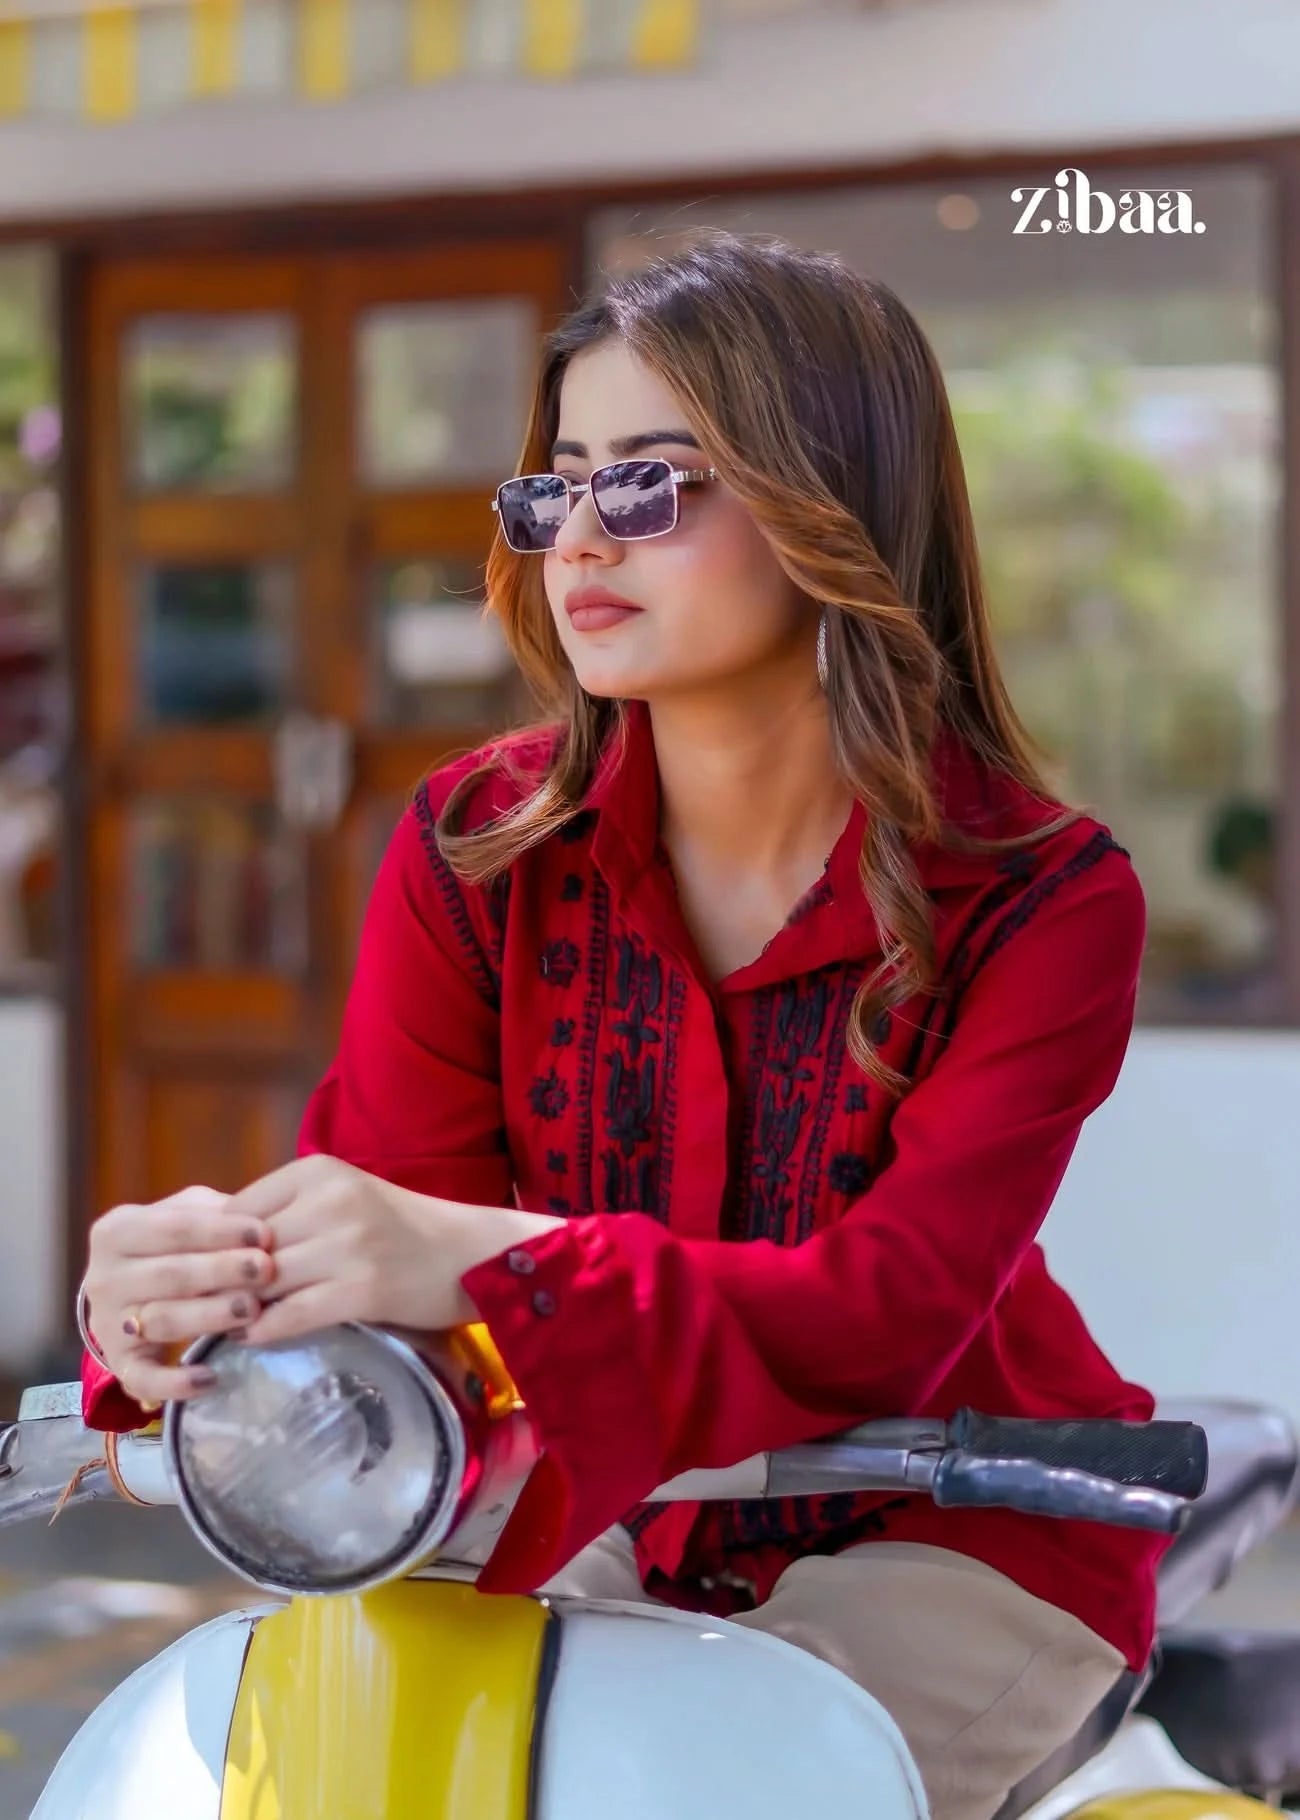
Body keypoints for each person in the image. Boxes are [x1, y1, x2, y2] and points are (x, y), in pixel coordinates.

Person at [78, 231, 1161, 1820]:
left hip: (966, 1518)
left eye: (652, 485)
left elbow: (878, 1318)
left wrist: (468, 1255)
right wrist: (180, 1311)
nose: (581, 537)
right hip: (577, 1480)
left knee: (735, 1790)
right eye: (556, 486)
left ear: (832, 501)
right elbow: (383, 1258)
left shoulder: (1041, 896)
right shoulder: (476, 846)